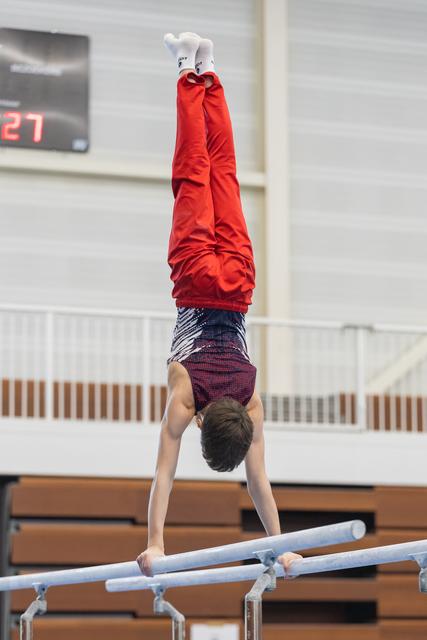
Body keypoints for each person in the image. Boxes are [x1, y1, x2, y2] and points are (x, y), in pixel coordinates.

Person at [137, 32, 301, 577]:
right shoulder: (186, 397)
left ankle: (211, 71)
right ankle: (188, 68)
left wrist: (282, 544)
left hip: (238, 284)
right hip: (193, 276)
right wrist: (154, 543)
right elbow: (165, 473)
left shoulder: (252, 399)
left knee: (223, 174)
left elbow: (259, 482)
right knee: (194, 174)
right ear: (204, 421)